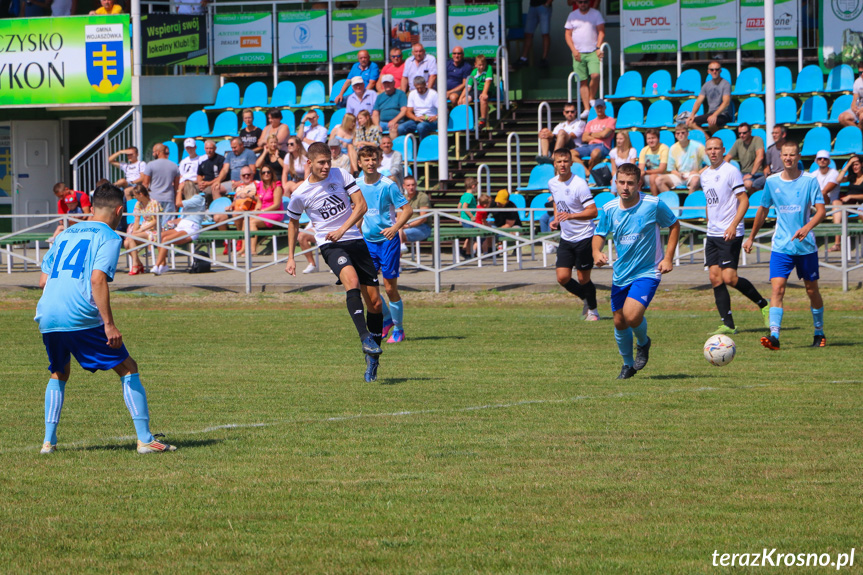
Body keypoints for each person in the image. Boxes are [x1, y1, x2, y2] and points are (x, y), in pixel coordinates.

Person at [35, 183, 176, 455]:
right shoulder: (110, 237)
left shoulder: (64, 234)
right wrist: (109, 325)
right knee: (128, 368)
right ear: (120, 210)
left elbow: (43, 280)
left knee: (59, 372)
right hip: (79, 315)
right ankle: (145, 440)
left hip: (48, 314)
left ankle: (48, 443)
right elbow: (97, 278)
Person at [284, 142, 385, 382]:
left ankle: (373, 359)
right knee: (350, 282)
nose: (326, 166)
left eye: (328, 161)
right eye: (321, 162)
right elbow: (293, 223)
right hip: (330, 244)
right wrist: (290, 257)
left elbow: (362, 206)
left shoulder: (340, 174)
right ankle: (365, 338)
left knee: (376, 303)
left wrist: (343, 229)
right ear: (309, 163)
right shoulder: (300, 194)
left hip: (355, 240)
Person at [592, 163, 681, 379]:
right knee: (619, 321)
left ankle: (643, 342)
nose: (625, 187)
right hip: (621, 273)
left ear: (639, 184)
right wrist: (596, 252)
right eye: (621, 182)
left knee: (631, 315)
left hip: (648, 271)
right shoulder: (609, 208)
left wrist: (668, 258)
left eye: (630, 183)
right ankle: (628, 364)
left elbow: (675, 225)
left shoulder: (653, 204)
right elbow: (600, 234)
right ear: (615, 183)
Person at [743, 140, 827, 350]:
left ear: (798, 157)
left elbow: (821, 211)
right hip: (781, 246)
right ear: (780, 157)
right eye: (785, 155)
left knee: (811, 290)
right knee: (778, 289)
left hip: (805, 247)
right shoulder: (772, 182)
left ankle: (819, 332)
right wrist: (751, 236)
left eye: (792, 155)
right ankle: (774, 336)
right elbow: (762, 210)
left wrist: (807, 228)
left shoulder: (809, 180)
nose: (788, 158)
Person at [700, 137, 770, 335]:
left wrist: (733, 225)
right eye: (710, 149)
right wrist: (709, 220)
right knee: (715, 278)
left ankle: (764, 304)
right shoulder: (705, 175)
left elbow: (744, 201)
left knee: (729, 278)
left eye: (717, 148)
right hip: (713, 233)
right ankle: (728, 324)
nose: (713, 152)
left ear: (723, 150)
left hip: (730, 232)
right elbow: (710, 201)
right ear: (706, 151)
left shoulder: (731, 171)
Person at [357, 146, 413, 345]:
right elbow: (358, 211)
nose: (370, 163)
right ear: (359, 163)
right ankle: (387, 319)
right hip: (367, 243)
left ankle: (399, 329)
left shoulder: (388, 185)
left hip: (388, 242)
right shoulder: (356, 185)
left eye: (373, 159)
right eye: (366, 160)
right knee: (369, 288)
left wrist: (396, 227)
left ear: (379, 161)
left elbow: (407, 210)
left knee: (389, 288)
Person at [548, 147, 600, 320]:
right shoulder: (553, 183)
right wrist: (556, 219)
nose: (562, 165)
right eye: (559, 162)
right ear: (554, 164)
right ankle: (586, 298)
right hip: (566, 237)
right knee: (562, 278)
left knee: (583, 278)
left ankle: (593, 310)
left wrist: (571, 216)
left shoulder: (579, 184)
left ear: (571, 163)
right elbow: (557, 201)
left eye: (565, 161)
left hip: (584, 237)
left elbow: (593, 212)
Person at [150, 181, 207, 276]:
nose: (182, 193)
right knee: (158, 236)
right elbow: (184, 218)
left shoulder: (198, 198)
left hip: (191, 228)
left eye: (183, 191)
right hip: (182, 226)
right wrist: (172, 222)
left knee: (166, 239)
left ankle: (157, 265)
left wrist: (179, 190)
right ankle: (163, 264)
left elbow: (178, 203)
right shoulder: (190, 201)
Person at [564, 0, 605, 119]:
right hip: (578, 53)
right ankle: (587, 108)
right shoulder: (572, 15)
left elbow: (601, 31)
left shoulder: (596, 14)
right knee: (582, 81)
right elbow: (567, 34)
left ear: (589, 2)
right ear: (576, 3)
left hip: (593, 51)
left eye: (585, 2)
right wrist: (573, 50)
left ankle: (592, 98)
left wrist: (598, 47)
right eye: (580, 2)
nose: (583, 4)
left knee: (595, 75)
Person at [247, 165, 285, 257]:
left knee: (253, 222)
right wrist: (256, 210)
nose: (266, 174)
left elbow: (276, 205)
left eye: (268, 172)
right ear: (261, 174)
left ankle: (252, 250)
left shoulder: (277, 185)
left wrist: (262, 211)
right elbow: (259, 202)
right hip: (263, 212)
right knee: (246, 220)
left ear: (272, 173)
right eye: (264, 172)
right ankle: (244, 249)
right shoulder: (260, 185)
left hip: (275, 212)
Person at [123, 185, 162, 276]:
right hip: (143, 229)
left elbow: (155, 221)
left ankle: (136, 265)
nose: (134, 197)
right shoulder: (138, 204)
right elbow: (136, 220)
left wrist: (141, 229)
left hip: (154, 230)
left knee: (131, 238)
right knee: (126, 242)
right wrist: (135, 230)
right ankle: (138, 262)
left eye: (135, 195)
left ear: (141, 194)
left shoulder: (154, 203)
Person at [686, 61, 732, 135]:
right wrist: (692, 115)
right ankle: (707, 139)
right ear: (708, 71)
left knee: (711, 122)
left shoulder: (726, 84)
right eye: (712, 70)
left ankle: (717, 140)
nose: (714, 71)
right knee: (691, 122)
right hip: (711, 114)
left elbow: (726, 102)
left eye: (716, 69)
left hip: (724, 114)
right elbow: (698, 102)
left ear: (720, 71)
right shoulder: (706, 85)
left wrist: (715, 115)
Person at [656, 127, 706, 194]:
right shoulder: (673, 148)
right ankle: (671, 202)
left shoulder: (698, 146)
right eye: (678, 133)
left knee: (695, 180)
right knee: (659, 180)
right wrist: (678, 174)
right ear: (675, 135)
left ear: (687, 134)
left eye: (683, 133)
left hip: (693, 175)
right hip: (679, 175)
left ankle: (689, 202)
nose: (680, 135)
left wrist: (698, 172)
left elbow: (709, 165)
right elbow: (671, 169)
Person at [830, 154, 863, 252]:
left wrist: (850, 196)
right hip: (849, 205)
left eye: (856, 164)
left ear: (862, 164)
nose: (854, 167)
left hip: (859, 204)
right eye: (853, 165)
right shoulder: (851, 177)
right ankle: (837, 243)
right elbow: (838, 180)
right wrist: (848, 165)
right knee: (836, 203)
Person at [572, 99, 615, 170]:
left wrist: (591, 134)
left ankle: (590, 171)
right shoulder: (590, 122)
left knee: (595, 153)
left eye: (601, 107)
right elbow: (584, 138)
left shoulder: (610, 120)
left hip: (603, 146)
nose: (599, 109)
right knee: (571, 153)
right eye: (598, 107)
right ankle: (586, 171)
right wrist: (599, 135)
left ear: (605, 108)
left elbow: (604, 134)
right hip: (589, 146)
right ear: (595, 108)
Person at [724, 123, 765, 193]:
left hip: (757, 173)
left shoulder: (757, 140)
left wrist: (752, 174)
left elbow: (760, 156)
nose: (741, 135)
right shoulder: (738, 142)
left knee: (747, 184)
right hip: (743, 174)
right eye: (739, 133)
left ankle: (752, 201)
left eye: (744, 133)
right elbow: (727, 158)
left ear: (750, 132)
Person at [141, 143, 180, 214]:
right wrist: (176, 201)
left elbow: (145, 184)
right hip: (169, 199)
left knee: (154, 223)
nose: (153, 154)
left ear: (158, 152)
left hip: (154, 199)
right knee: (167, 224)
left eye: (153, 152)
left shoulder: (150, 165)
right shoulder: (174, 166)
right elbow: (176, 187)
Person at [459, 55, 494, 129]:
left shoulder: (489, 68)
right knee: (464, 100)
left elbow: (488, 82)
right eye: (479, 65)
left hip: (486, 90)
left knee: (483, 98)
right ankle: (466, 121)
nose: (481, 67)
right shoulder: (474, 72)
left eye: (483, 65)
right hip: (476, 90)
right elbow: (468, 87)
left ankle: (483, 120)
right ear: (475, 65)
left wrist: (484, 93)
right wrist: (461, 97)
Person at [399, 76, 438, 141]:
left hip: (431, 120)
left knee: (421, 126)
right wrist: (415, 118)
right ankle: (408, 148)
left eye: (421, 88)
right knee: (401, 128)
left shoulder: (433, 94)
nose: (420, 90)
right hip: (417, 119)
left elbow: (445, 110)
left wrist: (436, 117)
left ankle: (423, 148)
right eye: (417, 88)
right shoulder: (412, 94)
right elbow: (408, 112)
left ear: (425, 84)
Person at [519, 0, 554, 69]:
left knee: (545, 33)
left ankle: (544, 58)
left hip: (544, 6)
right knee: (528, 33)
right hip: (533, 6)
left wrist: (547, 3)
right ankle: (524, 58)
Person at [399, 176, 431, 245]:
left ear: (416, 185)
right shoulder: (402, 198)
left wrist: (407, 226)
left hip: (422, 227)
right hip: (404, 227)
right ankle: (399, 251)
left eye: (413, 185)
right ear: (404, 186)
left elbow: (423, 218)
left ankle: (399, 251)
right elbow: (399, 216)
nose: (411, 187)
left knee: (396, 236)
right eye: (408, 185)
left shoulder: (422, 197)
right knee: (390, 234)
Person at [638, 128, 669, 195]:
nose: (651, 141)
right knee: (637, 177)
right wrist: (641, 173)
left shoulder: (664, 148)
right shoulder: (644, 150)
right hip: (649, 175)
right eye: (649, 138)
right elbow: (641, 168)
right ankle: (638, 199)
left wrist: (645, 172)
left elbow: (661, 169)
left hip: (663, 175)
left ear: (658, 139)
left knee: (652, 177)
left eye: (653, 138)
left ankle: (655, 199)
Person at [608, 131, 637, 195]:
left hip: (629, 174)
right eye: (617, 139)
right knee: (615, 177)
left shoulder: (632, 151)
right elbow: (613, 170)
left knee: (618, 179)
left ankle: (613, 194)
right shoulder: (613, 152)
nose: (618, 141)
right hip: (618, 175)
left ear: (626, 139)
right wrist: (614, 179)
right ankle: (614, 195)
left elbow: (631, 168)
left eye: (621, 139)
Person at [837, 62, 863, 130]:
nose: (862, 74)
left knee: (862, 117)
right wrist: (854, 108)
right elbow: (855, 99)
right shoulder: (857, 82)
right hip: (859, 107)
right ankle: (858, 134)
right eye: (860, 72)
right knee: (842, 117)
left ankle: (859, 136)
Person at [458, 177, 478, 258]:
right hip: (468, 220)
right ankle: (468, 253)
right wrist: (472, 216)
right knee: (471, 236)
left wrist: (460, 217)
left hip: (464, 219)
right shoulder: (470, 196)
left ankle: (464, 250)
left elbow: (459, 206)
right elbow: (464, 207)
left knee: (469, 236)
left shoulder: (464, 195)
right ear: (473, 186)